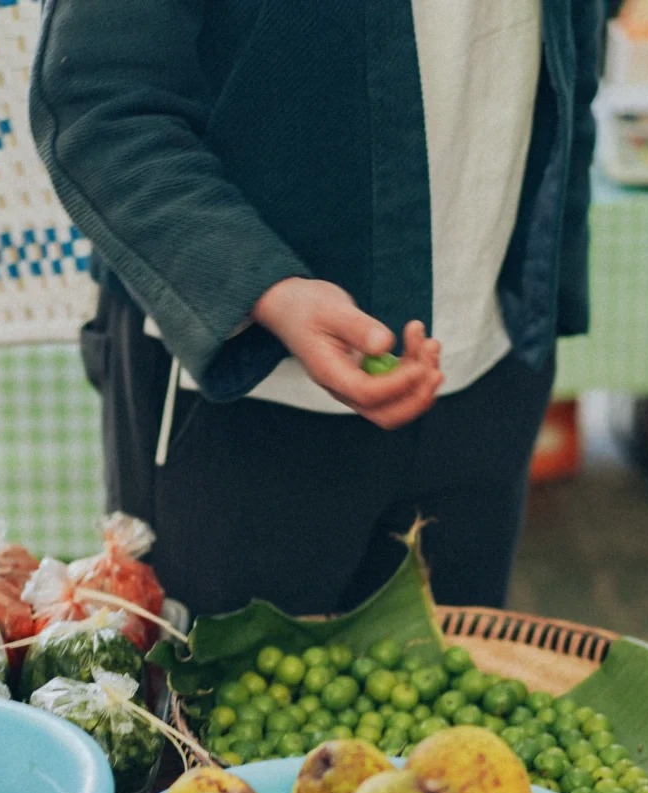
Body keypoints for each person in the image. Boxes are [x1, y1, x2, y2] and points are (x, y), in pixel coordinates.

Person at [30, 2, 603, 620]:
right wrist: (266, 287)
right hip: (237, 398)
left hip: (490, 364)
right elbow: (99, 100)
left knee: (457, 696)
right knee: (218, 707)